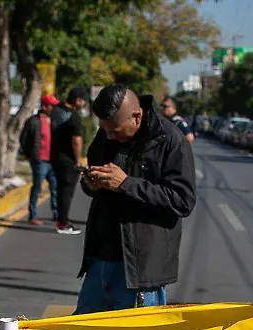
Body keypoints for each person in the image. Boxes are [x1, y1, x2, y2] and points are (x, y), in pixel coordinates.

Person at [75, 84, 196, 313]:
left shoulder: (171, 141)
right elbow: (96, 175)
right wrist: (91, 183)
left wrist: (126, 184)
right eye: (105, 130)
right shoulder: (106, 134)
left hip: (141, 269)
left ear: (137, 117)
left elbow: (182, 200)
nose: (109, 136)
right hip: (100, 257)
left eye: (115, 131)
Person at [49, 86, 88, 236]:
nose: (83, 104)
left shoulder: (57, 110)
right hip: (68, 160)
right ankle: (63, 224)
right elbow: (76, 140)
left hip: (55, 157)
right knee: (67, 192)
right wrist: (78, 160)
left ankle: (62, 218)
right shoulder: (73, 117)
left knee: (60, 190)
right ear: (78, 100)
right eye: (83, 101)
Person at [19, 94, 59, 225]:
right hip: (39, 160)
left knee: (55, 187)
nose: (54, 108)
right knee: (37, 187)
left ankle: (56, 213)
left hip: (52, 160)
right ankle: (33, 215)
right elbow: (24, 139)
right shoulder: (33, 121)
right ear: (45, 106)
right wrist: (29, 155)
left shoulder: (53, 120)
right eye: (52, 106)